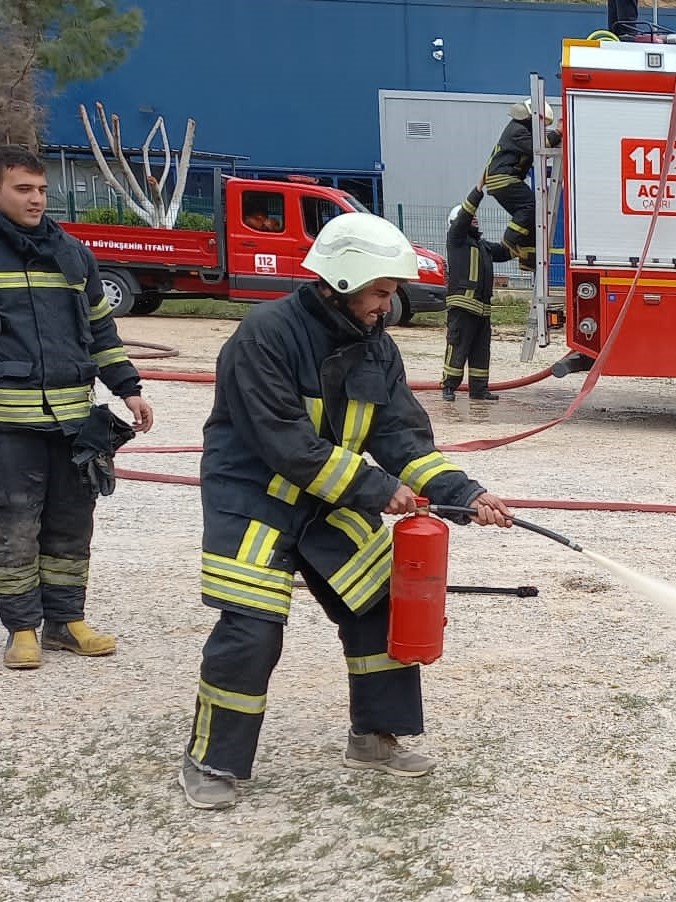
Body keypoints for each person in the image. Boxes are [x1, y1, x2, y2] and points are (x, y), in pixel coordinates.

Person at [178, 211, 514, 811]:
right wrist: (374, 488)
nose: (389, 304)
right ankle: (211, 760)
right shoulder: (265, 336)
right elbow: (283, 441)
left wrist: (464, 493)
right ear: (341, 280)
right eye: (381, 291)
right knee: (251, 631)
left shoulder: (376, 350)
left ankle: (373, 737)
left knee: (379, 605)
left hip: (330, 500)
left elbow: (403, 438)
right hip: (254, 499)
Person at [0, 144, 155, 672]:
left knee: (71, 524)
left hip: (72, 421)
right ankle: (22, 628)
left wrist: (127, 385)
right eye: (23, 189)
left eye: (41, 189)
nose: (37, 199)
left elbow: (100, 330)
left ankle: (66, 622)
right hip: (9, 425)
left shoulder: (71, 253)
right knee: (16, 524)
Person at [440, 183, 513, 403]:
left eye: (476, 218)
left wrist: (525, 233)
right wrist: (478, 191)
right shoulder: (456, 239)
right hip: (463, 306)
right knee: (458, 346)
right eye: (471, 218)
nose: (475, 219)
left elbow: (506, 251)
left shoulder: (483, 246)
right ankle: (449, 386)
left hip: (482, 310)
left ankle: (479, 389)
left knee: (481, 350)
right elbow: (465, 215)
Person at [481, 98, 560, 272]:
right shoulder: (517, 130)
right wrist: (558, 133)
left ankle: (528, 258)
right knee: (530, 205)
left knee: (532, 219)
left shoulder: (520, 130)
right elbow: (536, 148)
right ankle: (509, 241)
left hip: (503, 178)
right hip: (504, 178)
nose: (541, 129)